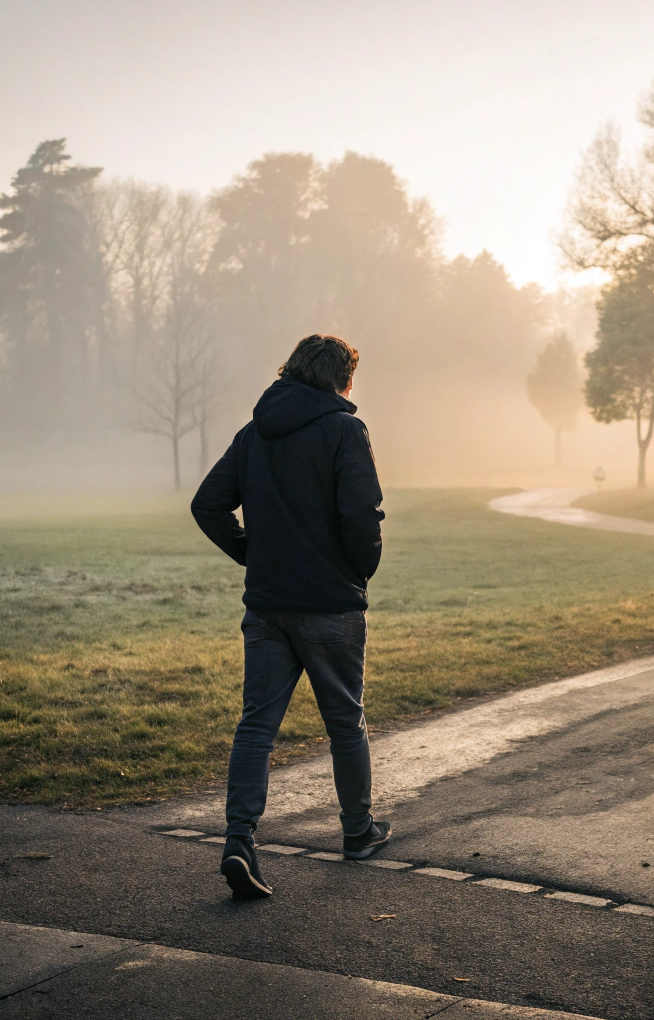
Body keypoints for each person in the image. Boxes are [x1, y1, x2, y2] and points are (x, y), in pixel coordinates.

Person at [191, 333, 390, 899]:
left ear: (292, 371)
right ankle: (357, 832)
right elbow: (362, 516)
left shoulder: (255, 432)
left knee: (257, 725)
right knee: (344, 721)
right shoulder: (346, 430)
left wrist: (255, 556)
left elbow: (207, 504)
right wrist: (358, 573)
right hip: (330, 607)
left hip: (268, 608)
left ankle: (239, 840)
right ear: (341, 380)